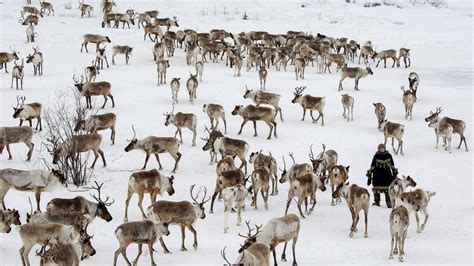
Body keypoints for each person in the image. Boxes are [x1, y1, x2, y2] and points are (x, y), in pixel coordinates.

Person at [366, 143, 398, 208]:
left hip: (387, 175)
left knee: (387, 190)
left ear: (385, 148)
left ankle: (389, 202)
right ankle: (377, 202)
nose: (382, 149)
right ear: (378, 149)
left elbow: (392, 165)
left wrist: (394, 172)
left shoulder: (389, 155)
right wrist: (370, 173)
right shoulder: (376, 156)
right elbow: (373, 165)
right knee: (376, 189)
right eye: (380, 148)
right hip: (377, 175)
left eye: (383, 148)